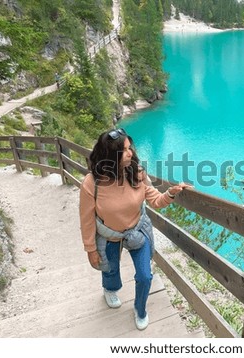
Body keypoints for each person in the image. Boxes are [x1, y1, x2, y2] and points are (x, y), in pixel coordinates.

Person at [79, 128, 190, 330]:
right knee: (110, 270)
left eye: (130, 148)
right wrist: (91, 249)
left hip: (138, 230)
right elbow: (86, 219)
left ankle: (140, 309)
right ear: (110, 155)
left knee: (145, 276)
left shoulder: (136, 172)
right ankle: (110, 289)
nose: (131, 153)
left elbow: (155, 200)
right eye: (125, 151)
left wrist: (171, 193)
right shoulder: (92, 183)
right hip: (109, 235)